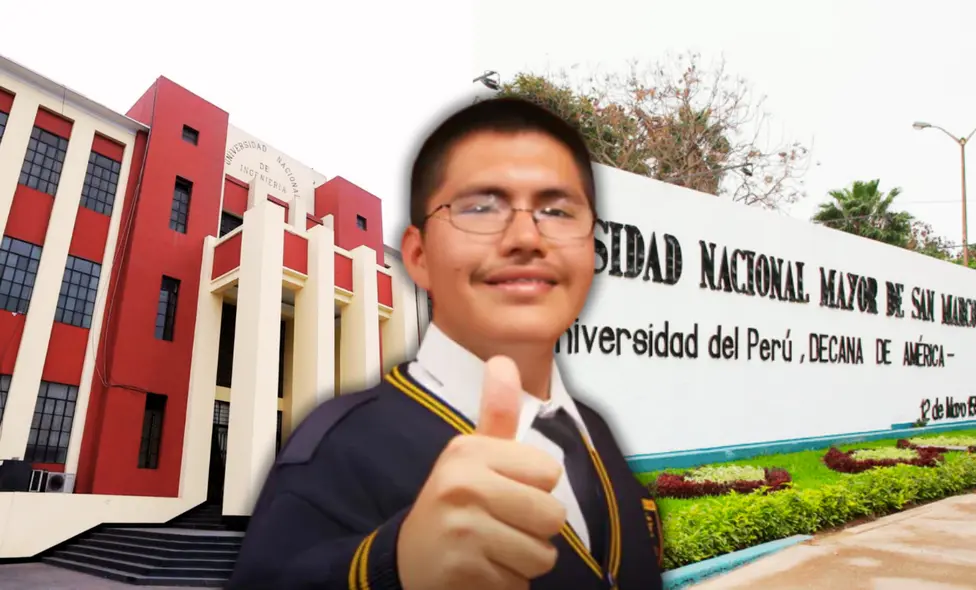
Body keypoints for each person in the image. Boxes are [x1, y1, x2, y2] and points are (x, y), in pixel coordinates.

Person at [226, 97, 664, 590]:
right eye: (480, 207)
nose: (526, 237)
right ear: (418, 255)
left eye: (559, 211)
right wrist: (393, 567)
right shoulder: (337, 448)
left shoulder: (596, 431)